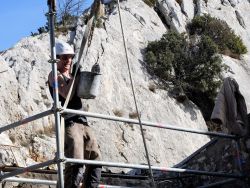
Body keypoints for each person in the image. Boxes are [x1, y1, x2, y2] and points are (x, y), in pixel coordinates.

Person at [48, 40, 102, 188]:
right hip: (69, 122)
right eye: (64, 57)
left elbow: (87, 92)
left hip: (83, 121)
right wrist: (76, 76)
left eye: (70, 57)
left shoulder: (72, 75)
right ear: (56, 58)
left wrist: (90, 76)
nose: (68, 61)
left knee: (95, 160)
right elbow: (66, 94)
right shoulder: (54, 75)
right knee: (76, 161)